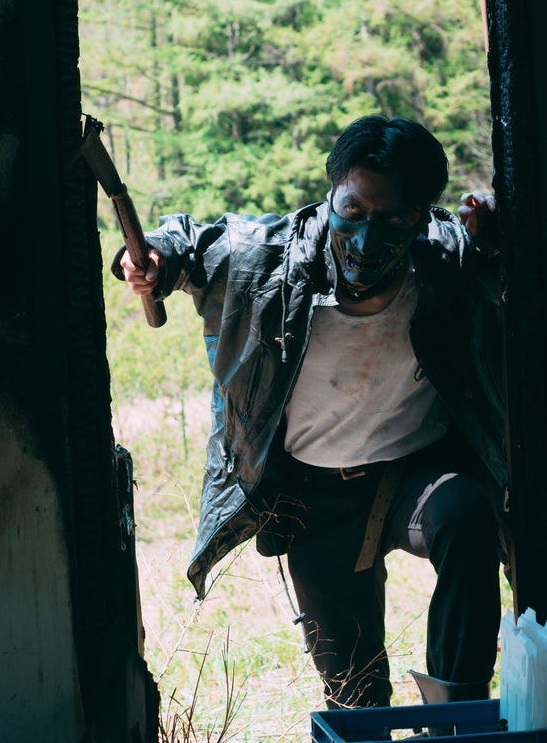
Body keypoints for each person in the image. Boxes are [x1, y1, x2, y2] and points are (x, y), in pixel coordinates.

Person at [115, 115, 506, 709]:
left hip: (414, 473)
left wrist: (495, 232)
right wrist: (150, 262)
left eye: (394, 218)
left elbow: (505, 250)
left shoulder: (442, 260)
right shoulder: (269, 263)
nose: (368, 238)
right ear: (331, 194)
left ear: (422, 216)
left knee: (467, 517)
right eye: (352, 210)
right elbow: (186, 244)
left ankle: (461, 728)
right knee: (354, 697)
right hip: (314, 497)